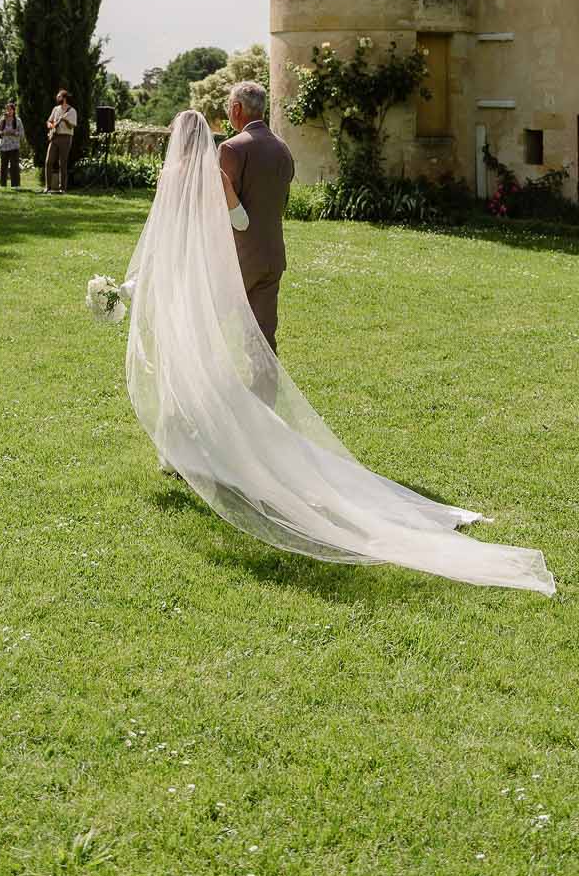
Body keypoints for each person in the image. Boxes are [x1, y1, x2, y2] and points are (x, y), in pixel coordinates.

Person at [123, 109, 555, 595]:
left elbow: (160, 239)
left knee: (182, 360)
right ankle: (193, 442)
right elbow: (233, 220)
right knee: (212, 355)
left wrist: (132, 285)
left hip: (188, 278)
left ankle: (181, 448)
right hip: (219, 269)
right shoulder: (231, 167)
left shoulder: (180, 174)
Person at [217, 80, 296, 356]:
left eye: (229, 106)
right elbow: (281, 202)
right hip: (272, 255)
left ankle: (214, 393)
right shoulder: (283, 148)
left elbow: (221, 207)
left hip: (238, 259)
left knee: (211, 330)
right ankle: (264, 396)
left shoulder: (231, 149)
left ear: (237, 108)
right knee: (263, 338)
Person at [44, 89, 76, 194]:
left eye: (59, 96)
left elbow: (72, 126)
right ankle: (47, 187)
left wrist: (65, 120)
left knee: (62, 163)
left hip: (66, 138)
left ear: (64, 98)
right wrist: (50, 125)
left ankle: (62, 188)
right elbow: (49, 121)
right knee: (48, 161)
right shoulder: (56, 109)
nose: (57, 98)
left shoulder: (72, 111)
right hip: (54, 137)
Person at [0, 99, 23, 189]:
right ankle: (2, 185)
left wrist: (14, 133)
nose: (8, 111)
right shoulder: (2, 120)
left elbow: (22, 133)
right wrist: (1, 132)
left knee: (14, 166)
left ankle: (16, 185)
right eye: (7, 109)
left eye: (10, 109)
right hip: (3, 146)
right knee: (3, 166)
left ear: (14, 110)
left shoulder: (18, 121)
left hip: (14, 146)